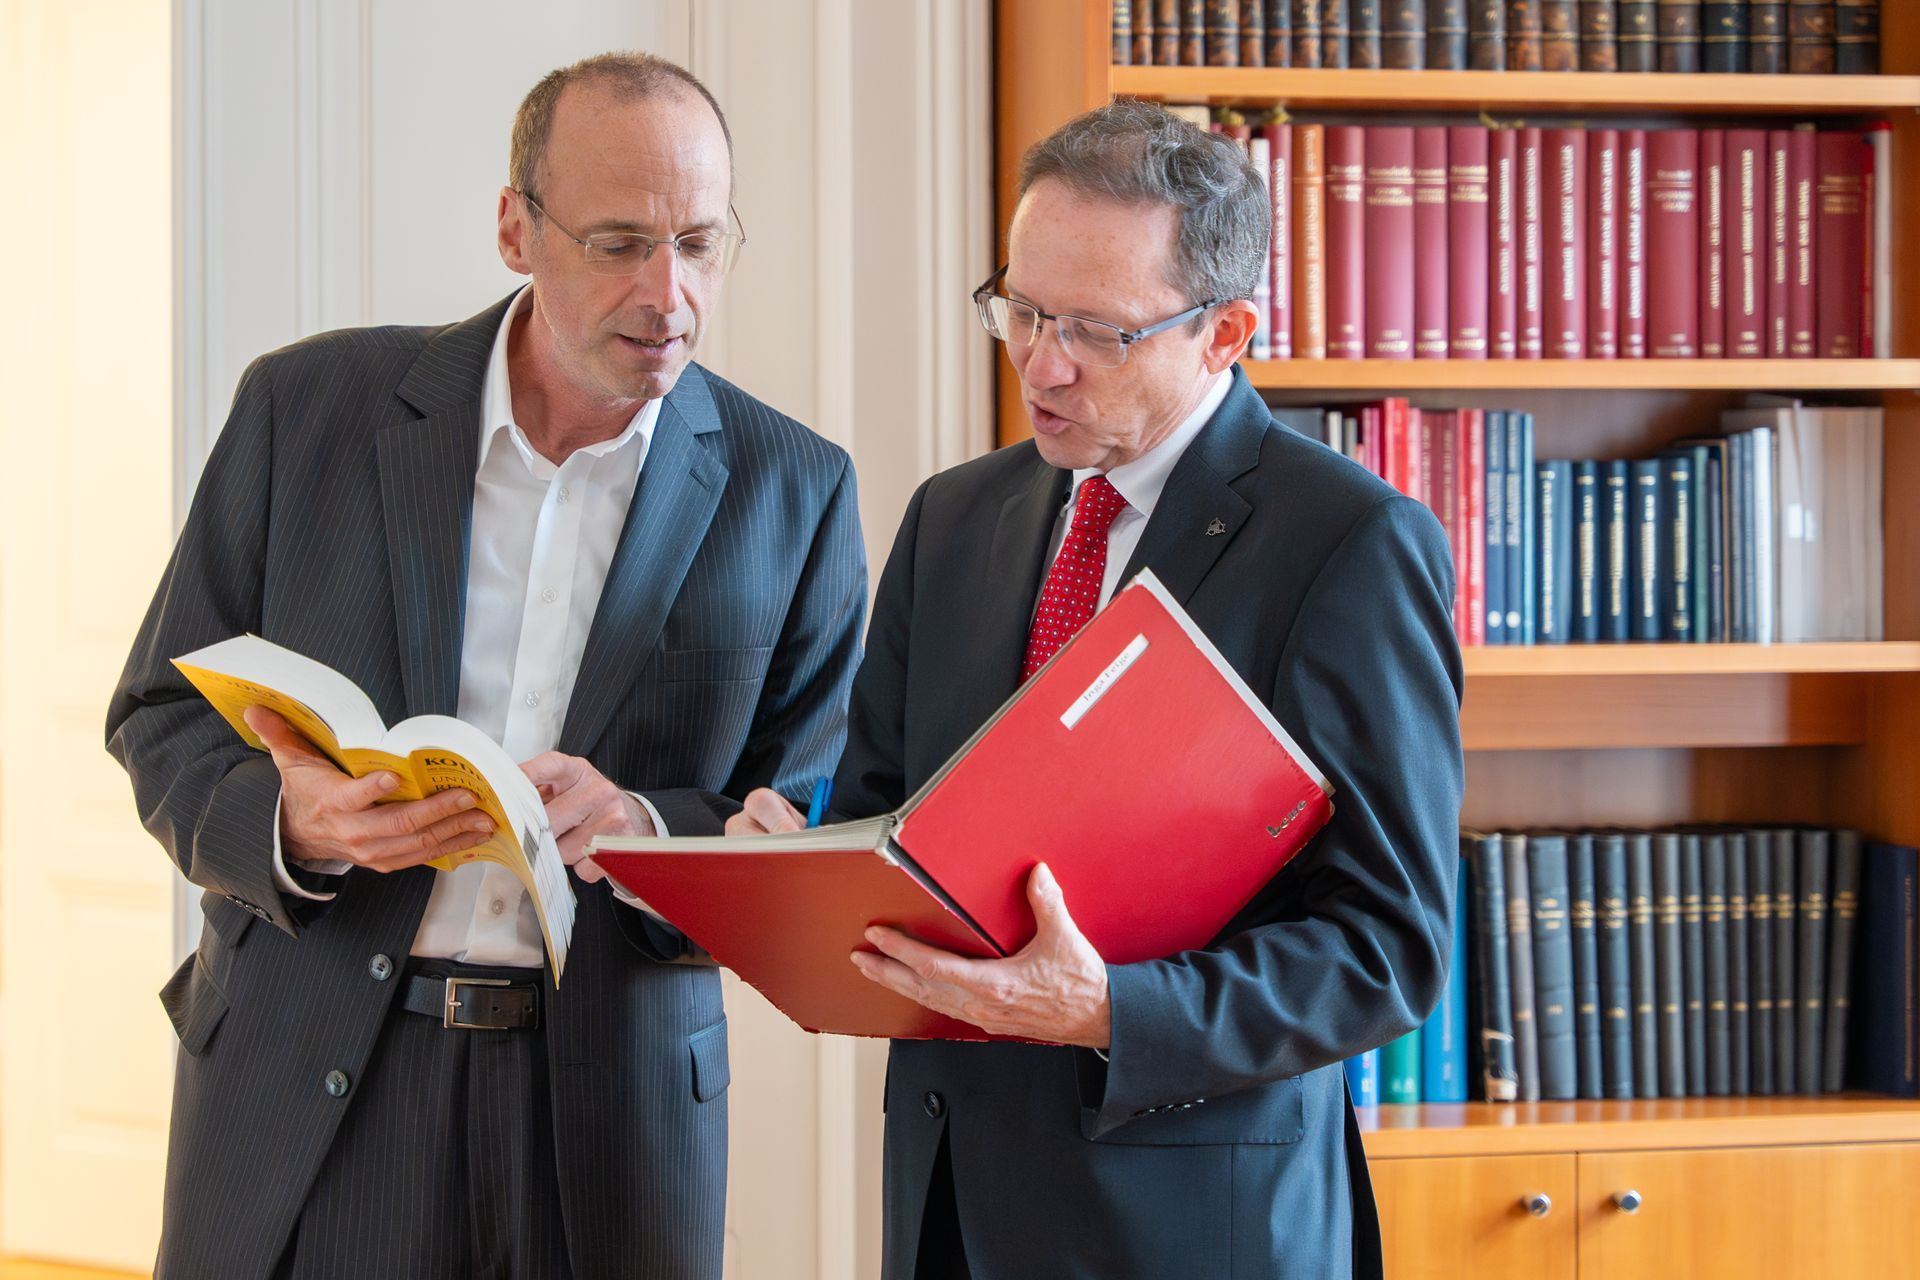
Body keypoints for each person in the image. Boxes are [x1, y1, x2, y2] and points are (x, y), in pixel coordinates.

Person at [107, 52, 865, 1280]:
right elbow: (157, 713)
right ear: (517, 227)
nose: (667, 292)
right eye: (619, 241)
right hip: (309, 1076)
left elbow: (817, 808)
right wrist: (290, 818)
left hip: (611, 1113)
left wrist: (641, 826)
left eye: (701, 243)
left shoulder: (797, 486)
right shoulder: (304, 410)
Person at [730, 100, 1463, 1279]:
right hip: (955, 1205)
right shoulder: (953, 516)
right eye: (1020, 309)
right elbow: (892, 813)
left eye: (1096, 330)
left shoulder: (1351, 543)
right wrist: (801, 854)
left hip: (1196, 1225)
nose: (1042, 361)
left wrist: (1111, 1006)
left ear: (1226, 332)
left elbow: (1388, 947)